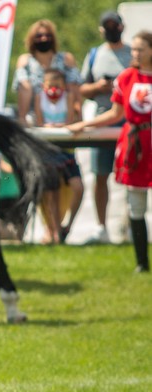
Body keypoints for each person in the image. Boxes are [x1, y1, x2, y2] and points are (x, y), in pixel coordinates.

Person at [68, 31, 152, 273]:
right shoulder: (127, 78)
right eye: (134, 49)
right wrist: (85, 124)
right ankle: (141, 263)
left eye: (141, 49)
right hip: (136, 143)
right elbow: (115, 114)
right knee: (136, 202)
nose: (135, 54)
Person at [78, 10, 132, 245]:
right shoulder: (94, 55)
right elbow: (81, 89)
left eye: (115, 25)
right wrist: (100, 87)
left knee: (132, 175)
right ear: (101, 29)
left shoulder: (134, 53)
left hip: (129, 120)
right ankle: (102, 228)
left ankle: (133, 224)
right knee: (100, 175)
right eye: (107, 25)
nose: (111, 29)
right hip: (103, 117)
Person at [34, 68, 85, 244]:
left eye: (57, 86)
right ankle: (55, 232)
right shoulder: (39, 98)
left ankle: (67, 226)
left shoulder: (68, 98)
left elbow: (70, 122)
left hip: (66, 150)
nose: (54, 89)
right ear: (44, 85)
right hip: (48, 150)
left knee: (78, 187)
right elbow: (39, 123)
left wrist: (58, 126)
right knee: (52, 192)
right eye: (50, 85)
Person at [12, 19, 81, 125]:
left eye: (48, 35)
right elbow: (24, 87)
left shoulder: (66, 58)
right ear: (32, 39)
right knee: (25, 87)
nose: (44, 38)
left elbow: (74, 89)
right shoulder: (25, 60)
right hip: (34, 114)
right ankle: (23, 121)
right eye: (39, 36)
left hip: (63, 115)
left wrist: (78, 117)